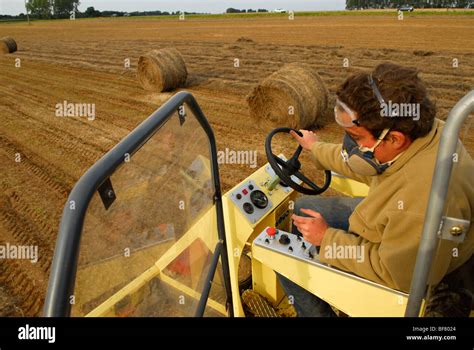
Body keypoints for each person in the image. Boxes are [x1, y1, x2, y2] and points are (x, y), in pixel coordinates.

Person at [278, 62, 474, 317]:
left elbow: (393, 273)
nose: (352, 145)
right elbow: (363, 161)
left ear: (394, 139)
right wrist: (316, 148)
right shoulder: (425, 131)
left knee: (284, 257)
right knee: (305, 208)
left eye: (357, 138)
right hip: (396, 226)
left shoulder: (419, 201)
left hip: (406, 269)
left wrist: (327, 239)